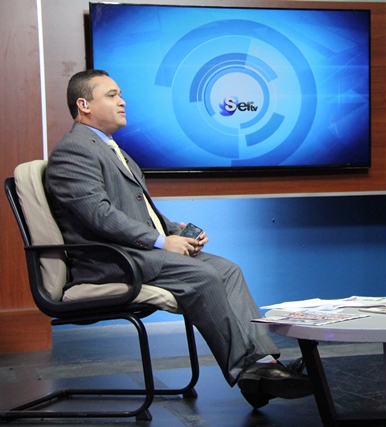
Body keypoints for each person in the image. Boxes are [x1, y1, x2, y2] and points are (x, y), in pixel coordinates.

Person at [44, 69, 312, 409]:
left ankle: (263, 365)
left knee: (228, 270)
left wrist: (173, 230)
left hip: (135, 252)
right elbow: (100, 215)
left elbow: (138, 212)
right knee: (203, 276)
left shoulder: (111, 148)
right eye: (111, 95)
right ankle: (250, 370)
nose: (122, 101)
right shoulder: (74, 150)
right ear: (84, 105)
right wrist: (160, 242)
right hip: (109, 261)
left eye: (121, 94)